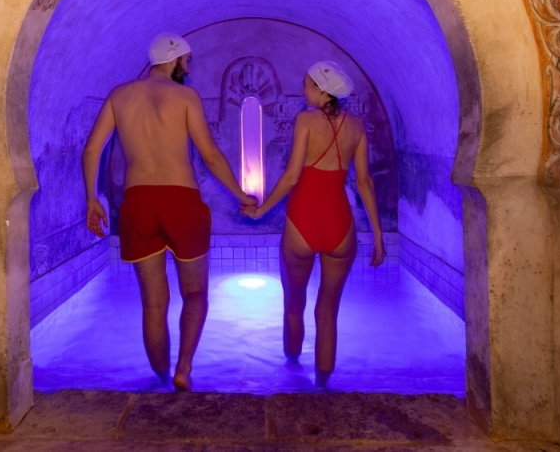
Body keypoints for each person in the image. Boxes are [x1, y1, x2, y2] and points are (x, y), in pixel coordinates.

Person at [82, 32, 257, 392]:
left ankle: (160, 382)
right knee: (195, 293)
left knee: (153, 304)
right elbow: (209, 155)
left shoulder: (119, 95)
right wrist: (241, 193)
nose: (189, 68)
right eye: (187, 61)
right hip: (181, 202)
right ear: (174, 60)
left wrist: (91, 198)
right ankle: (183, 368)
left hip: (138, 204)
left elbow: (90, 151)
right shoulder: (185, 97)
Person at [243, 61, 385, 388]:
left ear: (322, 90)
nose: (303, 89)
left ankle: (292, 378)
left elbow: (292, 177)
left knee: (294, 305)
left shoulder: (305, 120)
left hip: (301, 224)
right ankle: (323, 390)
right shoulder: (358, 127)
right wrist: (377, 234)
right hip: (340, 226)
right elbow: (364, 182)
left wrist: (261, 210)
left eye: (307, 84)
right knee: (328, 313)